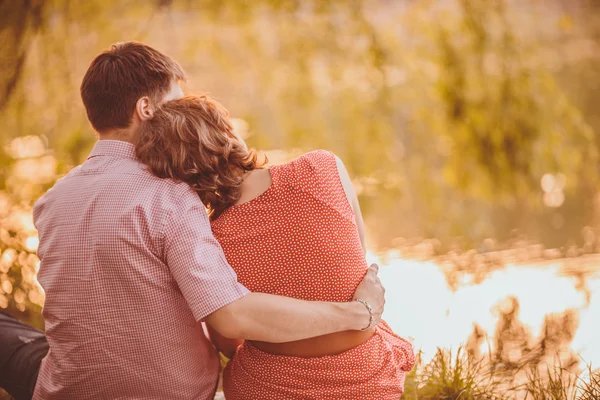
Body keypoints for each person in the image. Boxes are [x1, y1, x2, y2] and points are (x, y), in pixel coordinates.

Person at [3, 42, 386, 400]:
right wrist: (356, 313)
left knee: (12, 337)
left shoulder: (51, 200)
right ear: (146, 109)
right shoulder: (171, 195)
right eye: (174, 102)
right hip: (175, 391)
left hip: (65, 387)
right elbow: (231, 317)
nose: (181, 111)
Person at [135, 94, 416, 399]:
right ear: (227, 132)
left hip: (272, 389)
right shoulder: (323, 167)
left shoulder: (208, 239)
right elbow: (355, 265)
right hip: (369, 379)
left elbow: (230, 342)